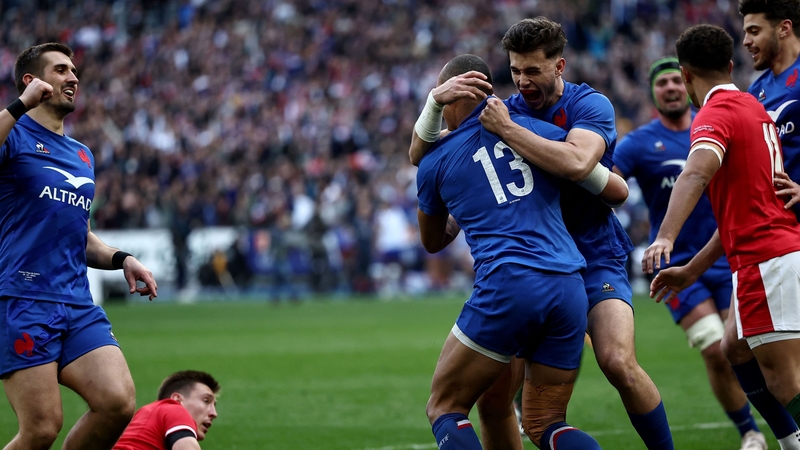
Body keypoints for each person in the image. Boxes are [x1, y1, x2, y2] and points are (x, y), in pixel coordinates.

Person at [410, 17, 673, 450]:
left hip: (586, 255)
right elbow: (427, 151)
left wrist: (498, 129)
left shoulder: (586, 107)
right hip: (559, 269)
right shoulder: (511, 113)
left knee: (617, 361)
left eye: (532, 71)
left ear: (559, 67)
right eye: (514, 71)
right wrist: (438, 109)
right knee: (507, 405)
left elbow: (578, 165)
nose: (522, 81)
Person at [418, 53, 601, 450]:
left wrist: (469, 206)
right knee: (544, 422)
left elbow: (432, 241)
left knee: (445, 406)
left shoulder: (434, 160)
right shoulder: (535, 129)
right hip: (570, 284)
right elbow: (612, 188)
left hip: (509, 283)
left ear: (448, 100)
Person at [643, 23, 800, 439]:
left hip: (766, 262)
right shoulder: (753, 106)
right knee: (732, 348)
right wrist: (692, 269)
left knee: (787, 385)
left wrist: (664, 237)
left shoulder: (714, 115)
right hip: (771, 254)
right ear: (730, 65)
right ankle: (787, 439)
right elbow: (737, 213)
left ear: (687, 74)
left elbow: (694, 174)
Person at [0, 43, 158, 450]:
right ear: (32, 81)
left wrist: (123, 259)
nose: (74, 78)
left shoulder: (82, 155)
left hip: (76, 301)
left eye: (74, 70)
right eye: (60, 70)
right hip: (23, 298)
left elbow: (81, 235)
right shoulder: (13, 135)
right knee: (41, 429)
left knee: (118, 403)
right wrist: (19, 106)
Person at [613, 57, 768, 450]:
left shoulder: (715, 124)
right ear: (653, 93)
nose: (669, 88)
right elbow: (608, 181)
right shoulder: (638, 143)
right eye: (660, 83)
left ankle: (781, 426)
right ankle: (750, 431)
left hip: (730, 255)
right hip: (678, 266)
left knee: (750, 347)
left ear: (687, 84)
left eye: (674, 81)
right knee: (717, 351)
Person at [114, 370, 219, 450]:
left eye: (214, 405)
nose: (214, 413)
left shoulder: (144, 416)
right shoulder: (174, 408)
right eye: (206, 401)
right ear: (177, 399)